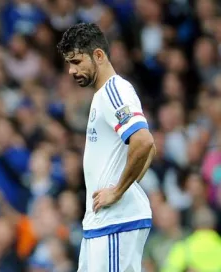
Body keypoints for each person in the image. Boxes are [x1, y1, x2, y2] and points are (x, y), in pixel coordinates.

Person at [57, 23, 156, 271]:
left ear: (99, 55)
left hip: (116, 221)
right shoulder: (101, 96)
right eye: (69, 63)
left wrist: (119, 190)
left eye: (77, 61)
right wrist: (129, 179)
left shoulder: (114, 90)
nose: (71, 70)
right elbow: (149, 149)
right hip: (100, 223)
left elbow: (144, 142)